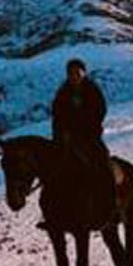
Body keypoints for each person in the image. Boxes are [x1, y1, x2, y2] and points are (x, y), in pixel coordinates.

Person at [51, 57, 111, 201]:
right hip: (66, 137)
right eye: (71, 73)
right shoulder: (63, 92)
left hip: (89, 135)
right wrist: (60, 133)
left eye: (77, 73)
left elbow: (100, 110)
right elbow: (57, 114)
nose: (74, 76)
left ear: (83, 73)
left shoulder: (92, 90)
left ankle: (109, 195)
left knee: (101, 158)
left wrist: (87, 128)